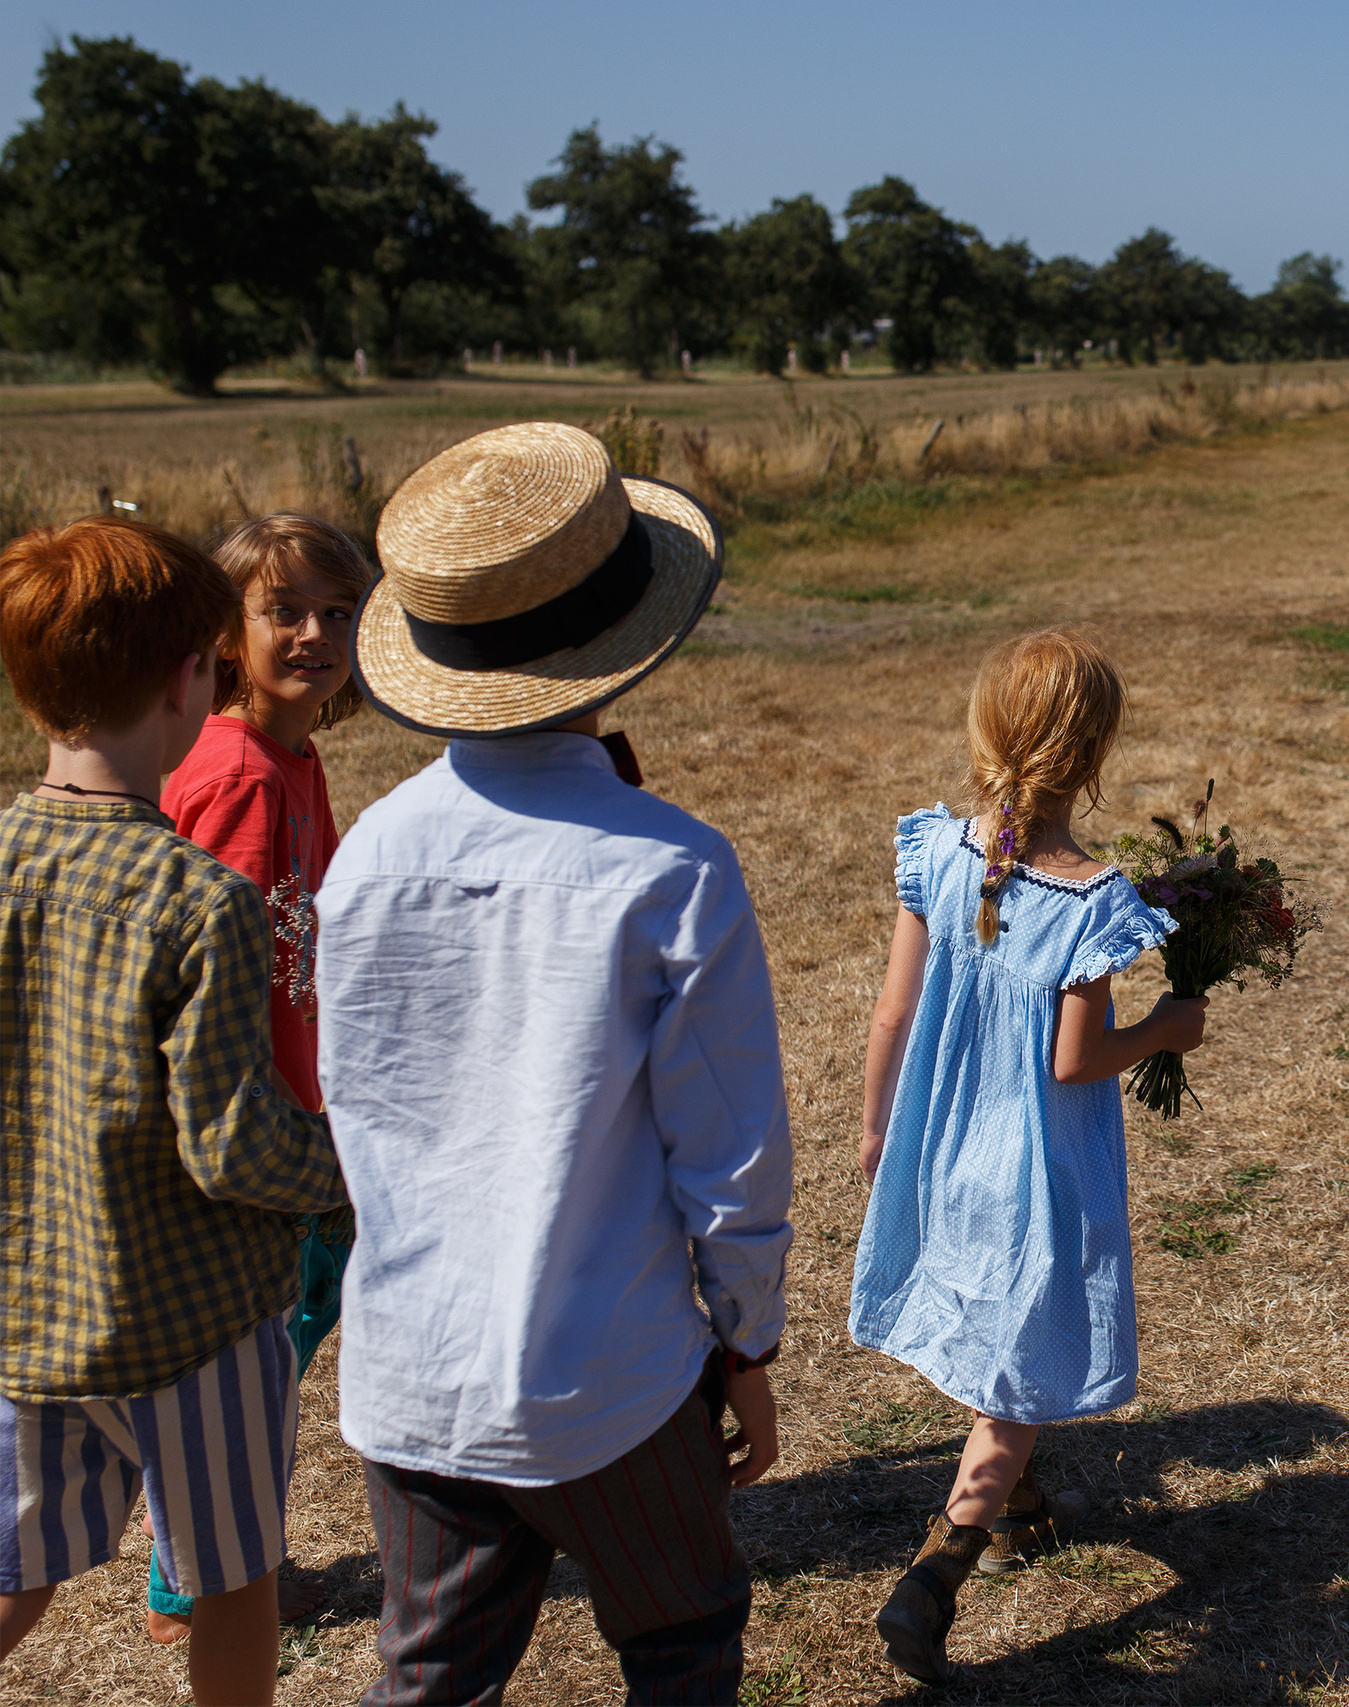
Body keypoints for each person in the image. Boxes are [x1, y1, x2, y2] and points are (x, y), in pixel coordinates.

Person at [314, 422, 793, 1705]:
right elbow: (729, 1150)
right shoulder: (668, 866)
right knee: (681, 1640)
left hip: (413, 1364)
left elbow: (362, 1103)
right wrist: (744, 1341)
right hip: (610, 1370)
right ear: (622, 640)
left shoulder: (366, 853)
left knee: (430, 1674)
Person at [0, 517, 346, 1707]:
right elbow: (233, 1138)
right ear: (188, 676)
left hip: (34, 1303)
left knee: (16, 1569)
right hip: (193, 1318)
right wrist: (349, 1165)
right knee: (233, 1575)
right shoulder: (197, 898)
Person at [851, 628, 1205, 1685]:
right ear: (1092, 755)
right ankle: (936, 1570)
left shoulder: (938, 851)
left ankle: (1018, 1510)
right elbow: (1075, 1059)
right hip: (1034, 1171)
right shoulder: (1091, 897)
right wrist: (1167, 1031)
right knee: (1020, 1361)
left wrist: (879, 1131)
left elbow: (892, 1012)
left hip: (942, 1139)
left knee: (995, 1332)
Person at [151, 513, 368, 1641]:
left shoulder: (291, 754)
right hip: (263, 1129)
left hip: (301, 1105)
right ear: (229, 634)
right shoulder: (237, 772)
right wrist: (282, 1135)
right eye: (284, 610)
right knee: (250, 1366)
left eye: (338, 612)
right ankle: (199, 1587)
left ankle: (214, 1567)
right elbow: (225, 974)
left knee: (278, 1350)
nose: (315, 633)